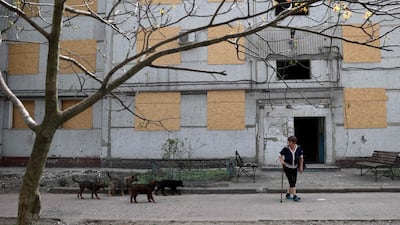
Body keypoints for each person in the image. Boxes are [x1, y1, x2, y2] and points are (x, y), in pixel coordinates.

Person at [279, 136, 304, 202]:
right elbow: (280, 155)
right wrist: (282, 161)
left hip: (295, 167)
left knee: (294, 181)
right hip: (287, 167)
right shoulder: (286, 148)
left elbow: (301, 158)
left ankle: (288, 194)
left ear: (294, 142)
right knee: (292, 181)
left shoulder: (298, 148)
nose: (289, 143)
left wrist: (301, 166)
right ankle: (295, 196)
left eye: (290, 142)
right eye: (288, 142)